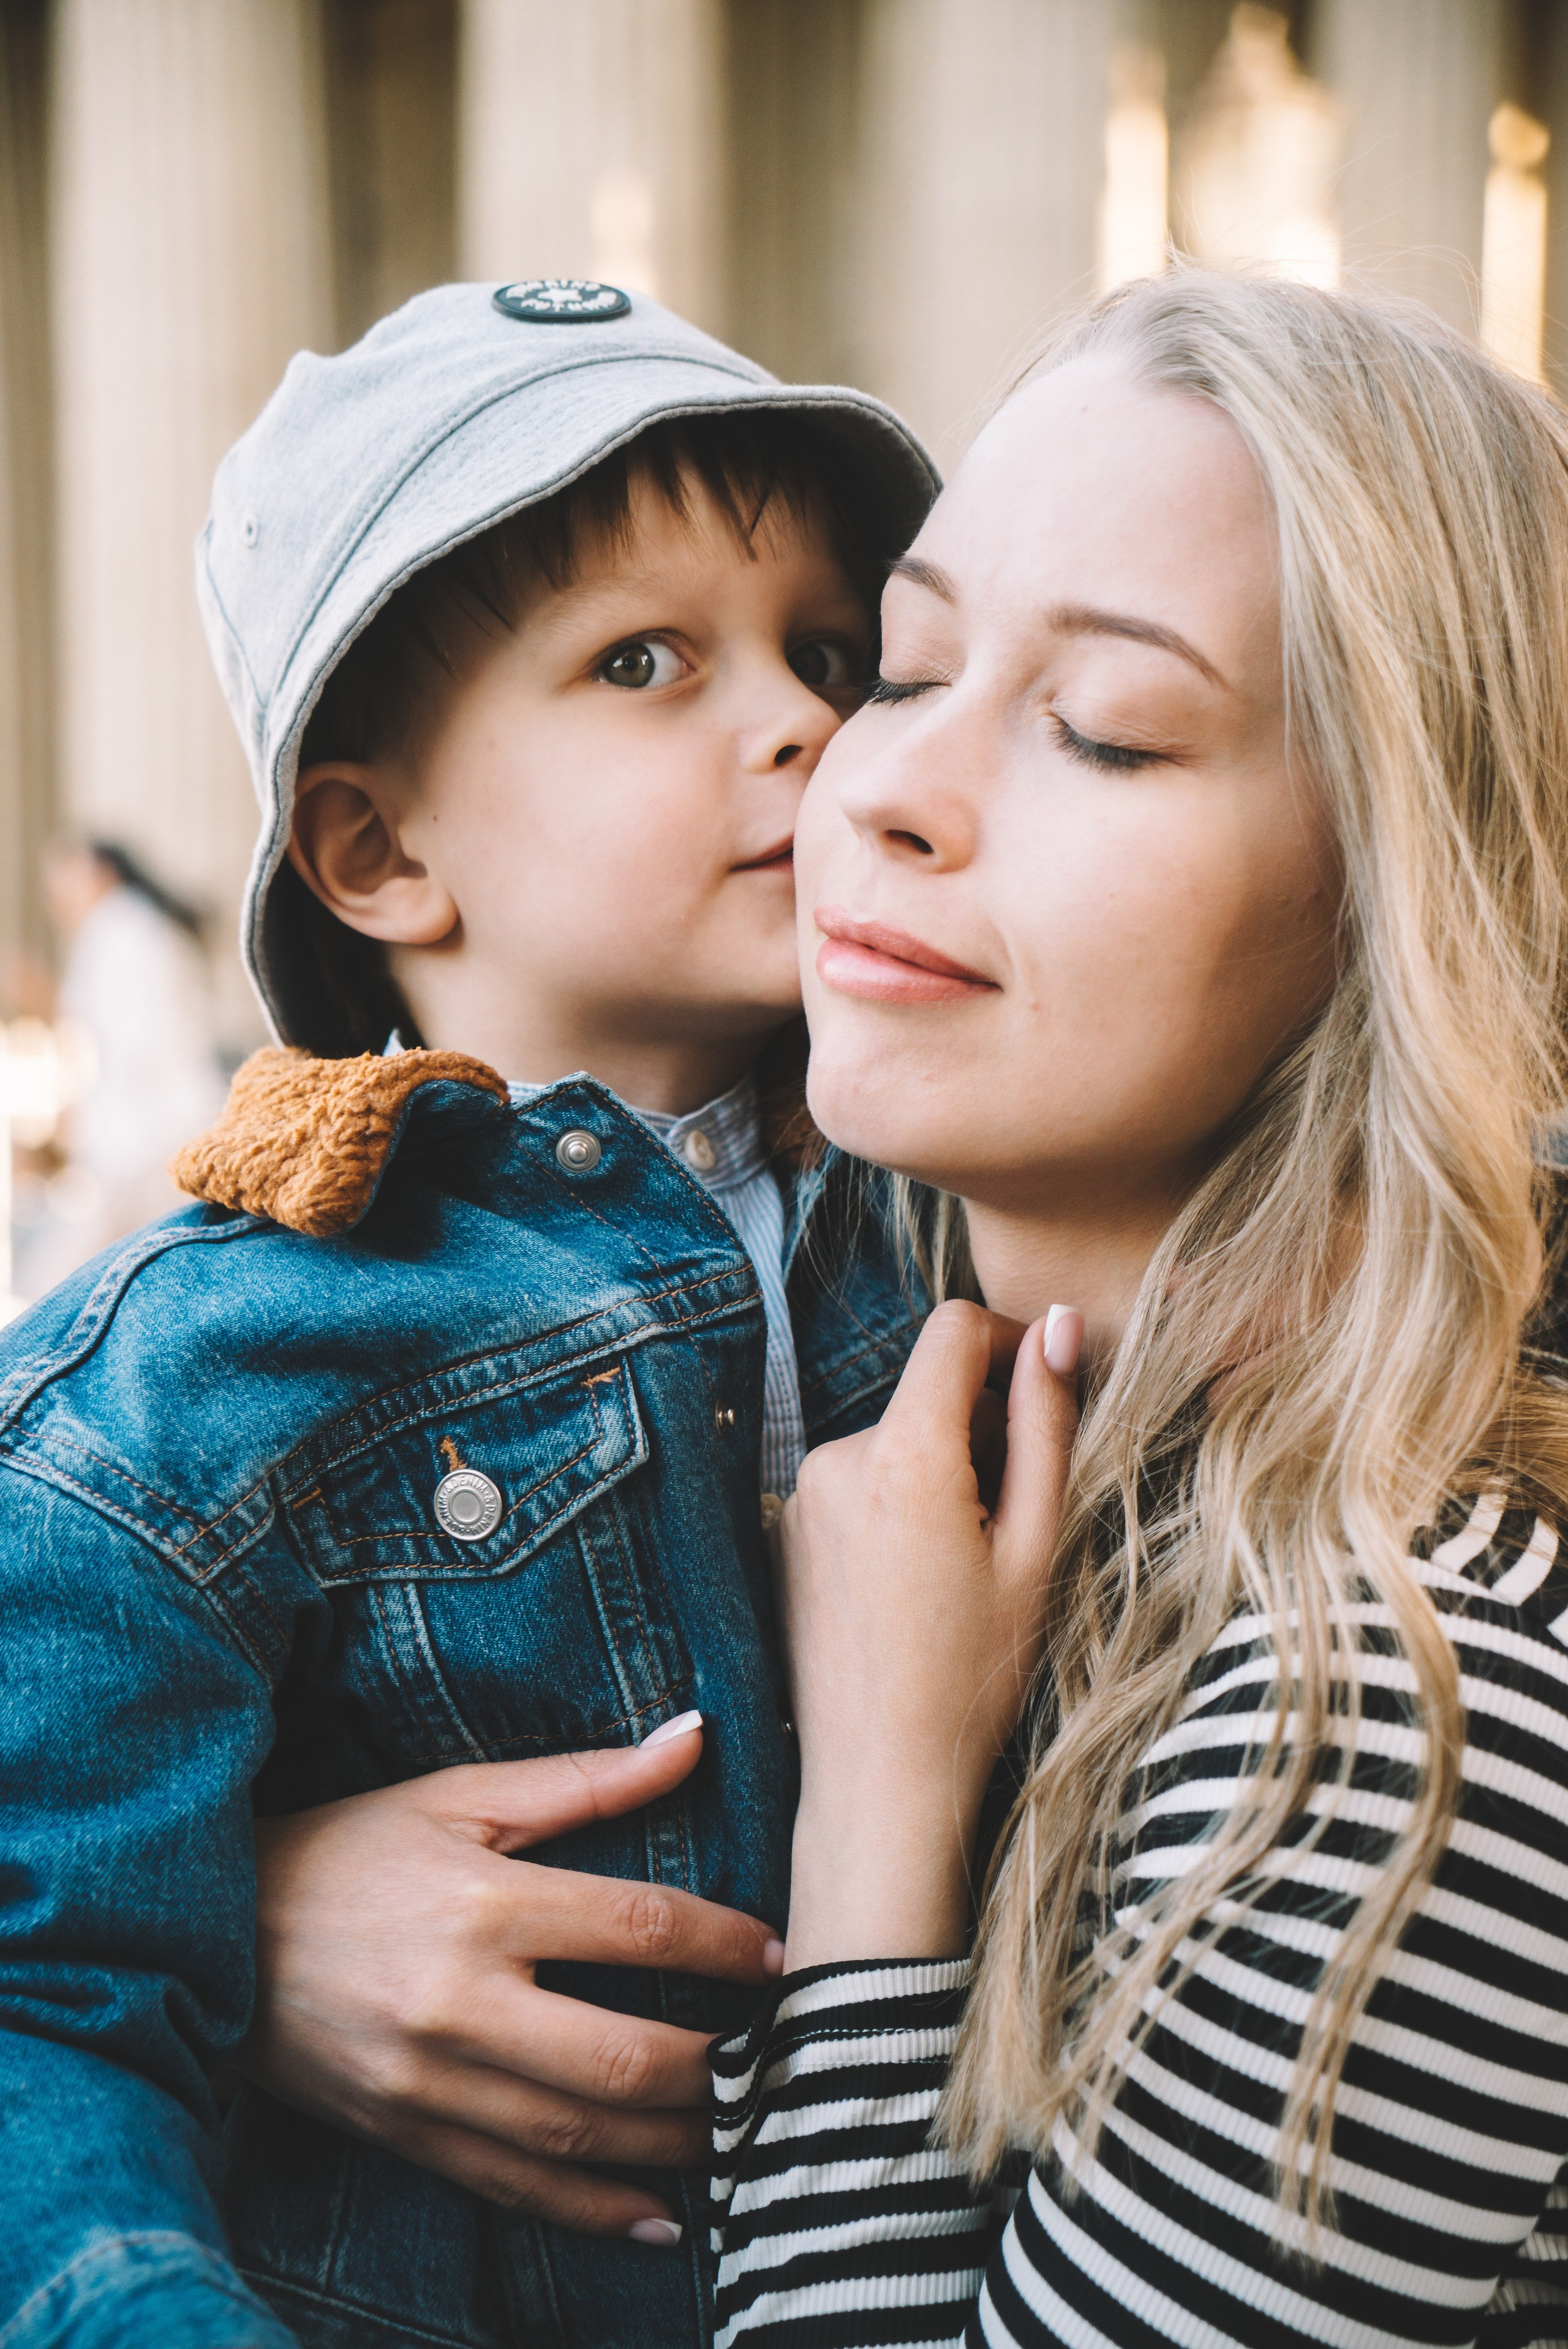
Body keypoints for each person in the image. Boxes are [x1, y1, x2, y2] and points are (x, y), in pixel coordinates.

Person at [0, 282, 935, 2348]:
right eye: (642, 660)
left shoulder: (966, 1217)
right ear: (379, 845)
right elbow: (41, 1990)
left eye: (833, 653)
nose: (805, 721)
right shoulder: (209, 1362)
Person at [706, 272, 1568, 2347]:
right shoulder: (885, 1448)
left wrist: (883, 1837)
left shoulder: (1408, 1697)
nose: (884, 787)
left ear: (1396, 902)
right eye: (896, 667)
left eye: (1102, 725)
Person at [18, 837, 225, 1291]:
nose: (56, 895)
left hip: (147, 1135)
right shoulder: (135, 927)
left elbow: (129, 1043)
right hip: (162, 1129)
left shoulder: (120, 929)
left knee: (55, 1283)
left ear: (99, 870)